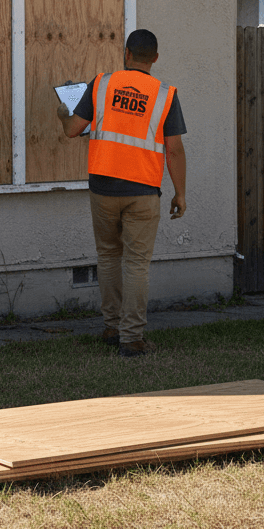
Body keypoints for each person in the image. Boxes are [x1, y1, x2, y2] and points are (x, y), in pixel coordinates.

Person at [56, 29, 187, 358]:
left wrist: (62, 113)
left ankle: (112, 327)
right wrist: (180, 193)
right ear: (154, 58)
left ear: (126, 53)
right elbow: (175, 151)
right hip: (143, 190)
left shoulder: (101, 84)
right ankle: (131, 339)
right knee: (137, 265)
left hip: (102, 187)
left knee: (109, 258)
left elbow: (73, 129)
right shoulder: (165, 95)